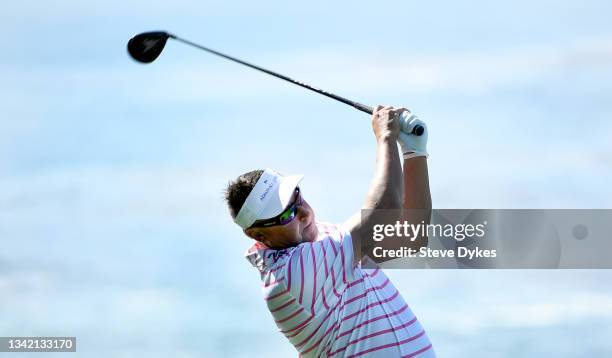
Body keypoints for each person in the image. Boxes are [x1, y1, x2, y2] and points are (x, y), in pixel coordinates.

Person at [224, 105, 435, 357]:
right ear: (258, 235)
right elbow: (384, 210)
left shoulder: (322, 238)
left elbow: (411, 237)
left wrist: (414, 152)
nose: (304, 213)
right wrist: (386, 136)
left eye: (297, 197)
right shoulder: (292, 274)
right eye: (287, 214)